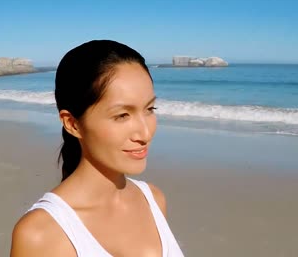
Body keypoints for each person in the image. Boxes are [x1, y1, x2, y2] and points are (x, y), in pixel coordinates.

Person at [10, 40, 184, 257]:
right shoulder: (43, 234)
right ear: (72, 124)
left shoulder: (154, 200)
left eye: (150, 109)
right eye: (122, 115)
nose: (145, 134)